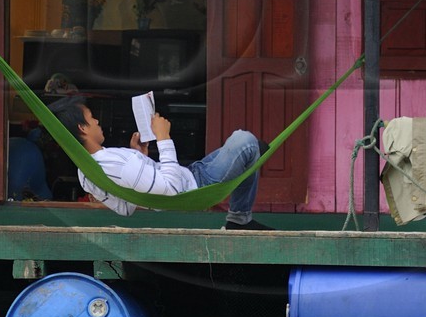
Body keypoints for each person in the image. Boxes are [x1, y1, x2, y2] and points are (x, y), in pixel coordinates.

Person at [51, 95, 272, 230]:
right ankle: (239, 216)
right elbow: (171, 189)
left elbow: (125, 207)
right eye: (91, 118)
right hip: (195, 187)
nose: (97, 121)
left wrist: (141, 158)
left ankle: (240, 216)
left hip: (192, 173)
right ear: (82, 128)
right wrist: (163, 137)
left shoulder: (86, 173)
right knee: (244, 141)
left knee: (243, 151)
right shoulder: (109, 164)